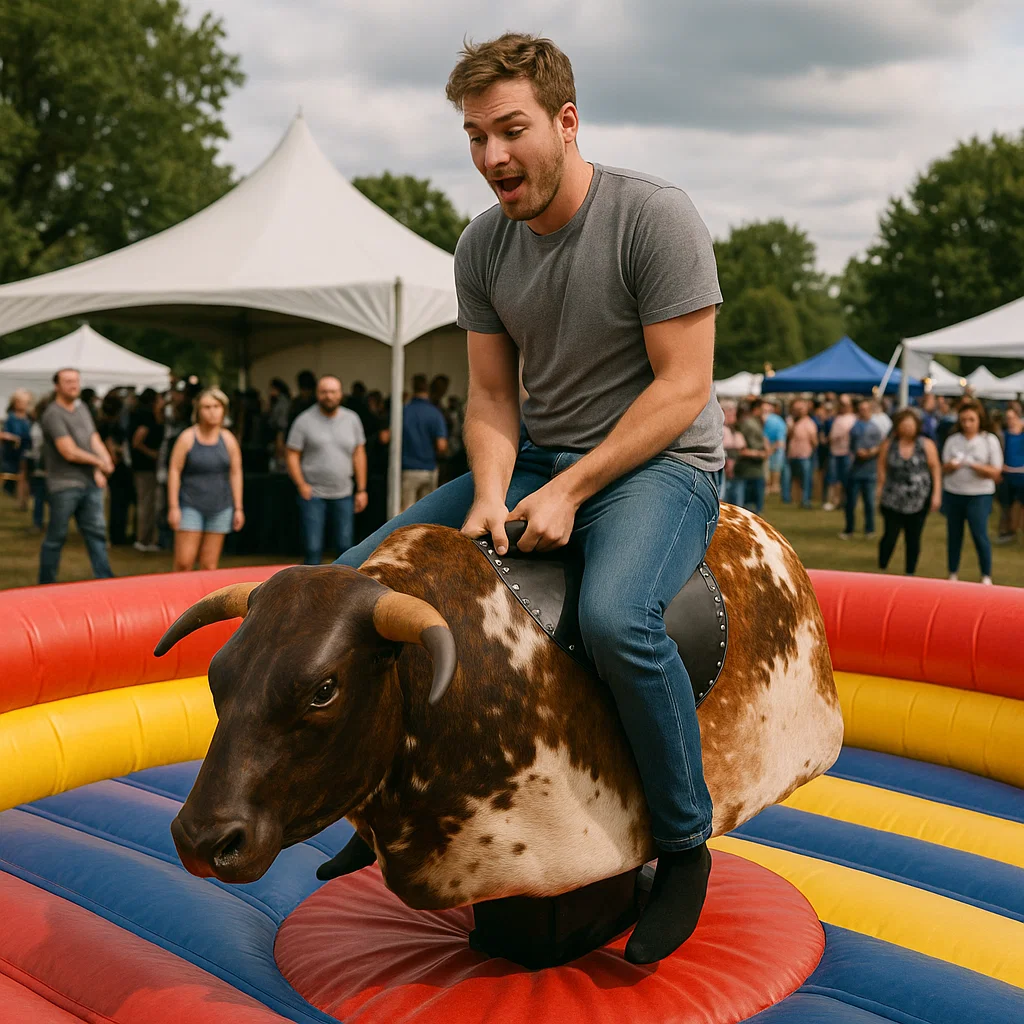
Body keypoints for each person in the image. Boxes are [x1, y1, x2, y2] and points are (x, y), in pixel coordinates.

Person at [329, 34, 725, 965]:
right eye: (474, 137)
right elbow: (495, 398)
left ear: (567, 121)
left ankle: (682, 845)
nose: (492, 157)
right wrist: (497, 493)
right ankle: (379, 807)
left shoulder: (654, 217)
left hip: (662, 464)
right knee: (346, 588)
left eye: (511, 131)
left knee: (618, 615)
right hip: (538, 455)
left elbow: (682, 388)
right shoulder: (481, 242)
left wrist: (573, 490)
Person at [38, 368, 115, 584]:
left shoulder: (82, 409)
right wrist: (99, 462)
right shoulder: (52, 413)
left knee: (97, 534)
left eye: (76, 381)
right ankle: (46, 584)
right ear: (57, 386)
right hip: (63, 484)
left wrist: (105, 461)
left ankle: (105, 579)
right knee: (56, 536)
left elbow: (93, 437)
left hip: (89, 482)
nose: (74, 385)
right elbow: (68, 451)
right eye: (68, 381)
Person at [286, 375, 368, 564]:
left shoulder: (352, 419)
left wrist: (362, 489)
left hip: (344, 493)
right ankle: (309, 591)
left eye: (333, 392)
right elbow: (291, 454)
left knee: (345, 547)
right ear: (317, 394)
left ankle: (344, 591)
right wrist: (300, 484)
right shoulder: (304, 420)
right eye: (324, 392)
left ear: (340, 394)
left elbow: (359, 454)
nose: (328, 396)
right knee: (313, 548)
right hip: (313, 494)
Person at [167, 388, 244, 572]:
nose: (212, 411)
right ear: (198, 411)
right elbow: (174, 471)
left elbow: (236, 472)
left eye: (216, 406)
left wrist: (238, 507)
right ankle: (180, 598)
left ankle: (205, 600)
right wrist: (173, 507)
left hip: (220, 507)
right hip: (190, 504)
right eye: (206, 407)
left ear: (223, 410)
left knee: (209, 566)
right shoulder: (187, 437)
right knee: (184, 562)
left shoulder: (228, 439)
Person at [941, 398, 1003, 584]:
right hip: (954, 492)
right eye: (964, 420)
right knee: (954, 535)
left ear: (979, 420)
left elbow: (996, 471)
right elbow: (943, 466)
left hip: (979, 494)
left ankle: (986, 575)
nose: (967, 424)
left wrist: (976, 467)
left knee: (979, 534)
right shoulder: (953, 440)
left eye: (971, 420)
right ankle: (953, 573)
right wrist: (952, 466)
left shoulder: (989, 440)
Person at [877, 409, 941, 575]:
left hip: (919, 498)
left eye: (910, 425)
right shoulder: (889, 444)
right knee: (890, 535)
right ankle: (882, 566)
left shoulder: (926, 444)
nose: (907, 429)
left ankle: (910, 572)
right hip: (893, 497)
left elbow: (935, 469)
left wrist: (936, 494)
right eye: (903, 425)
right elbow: (882, 467)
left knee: (913, 537)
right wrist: (880, 489)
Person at [401, 374, 449, 511]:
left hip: (408, 468)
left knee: (406, 514)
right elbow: (442, 445)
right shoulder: (435, 413)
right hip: (428, 468)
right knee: (427, 512)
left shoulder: (404, 411)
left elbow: (386, 437)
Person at [95, 393, 135, 546]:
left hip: (112, 467)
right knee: (118, 504)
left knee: (115, 503)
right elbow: (110, 444)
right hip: (116, 468)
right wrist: (114, 457)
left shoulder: (102, 424)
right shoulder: (111, 426)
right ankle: (117, 536)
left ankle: (116, 534)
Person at [841, 398, 883, 540]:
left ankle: (869, 529)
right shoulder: (855, 427)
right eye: (861, 409)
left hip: (870, 471)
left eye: (865, 409)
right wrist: (859, 452)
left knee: (869, 503)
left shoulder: (875, 428)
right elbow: (853, 447)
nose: (863, 412)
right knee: (850, 502)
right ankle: (849, 529)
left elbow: (880, 446)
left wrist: (871, 452)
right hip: (855, 471)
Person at [129, 387, 165, 552]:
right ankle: (143, 539)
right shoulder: (145, 416)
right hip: (144, 466)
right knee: (146, 503)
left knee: (148, 503)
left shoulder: (150, 415)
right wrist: (152, 453)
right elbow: (137, 441)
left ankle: (147, 537)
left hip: (146, 466)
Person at [996, 404, 1023, 544]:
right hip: (1007, 475)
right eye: (1008, 418)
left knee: (1019, 507)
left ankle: (1016, 531)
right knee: (1006, 506)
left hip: (1021, 476)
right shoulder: (1004, 435)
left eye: (1012, 417)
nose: (1010, 420)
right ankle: (1006, 532)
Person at [2, 389, 33, 508]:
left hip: (27, 449)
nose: (23, 405)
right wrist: (13, 438)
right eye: (21, 402)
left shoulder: (29, 418)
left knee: (25, 475)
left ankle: (23, 500)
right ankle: (21, 501)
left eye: (26, 402)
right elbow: (4, 433)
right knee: (22, 474)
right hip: (14, 451)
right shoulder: (11, 418)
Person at [824, 394, 855, 511]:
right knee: (834, 479)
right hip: (835, 452)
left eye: (845, 404)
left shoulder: (853, 418)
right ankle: (834, 500)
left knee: (845, 479)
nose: (842, 407)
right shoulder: (837, 418)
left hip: (846, 453)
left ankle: (844, 501)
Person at [786, 399, 818, 509]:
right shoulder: (792, 422)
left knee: (806, 480)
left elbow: (814, 441)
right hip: (793, 455)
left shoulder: (810, 423)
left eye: (801, 409)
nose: (798, 411)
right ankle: (793, 498)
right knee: (794, 479)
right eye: (796, 409)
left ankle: (805, 501)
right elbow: (788, 437)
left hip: (805, 455)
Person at [762, 400, 787, 496]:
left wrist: (770, 449)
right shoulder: (778, 420)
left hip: (773, 448)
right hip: (773, 447)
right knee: (774, 468)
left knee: (772, 468)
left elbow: (779, 439)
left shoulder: (773, 420)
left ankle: (773, 486)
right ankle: (773, 486)